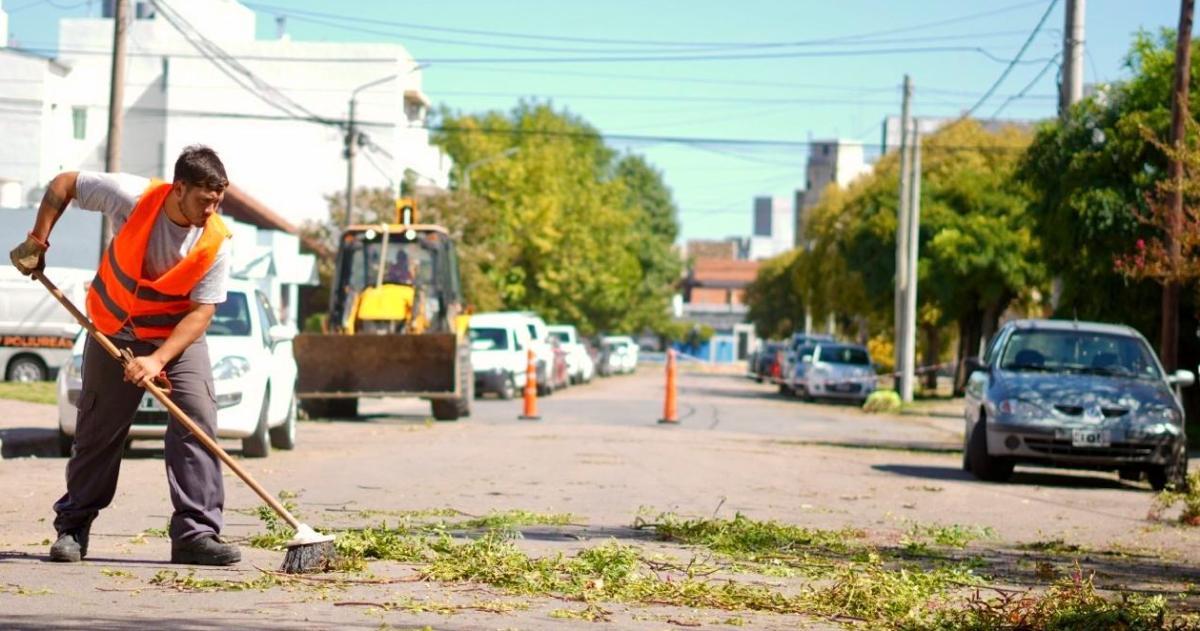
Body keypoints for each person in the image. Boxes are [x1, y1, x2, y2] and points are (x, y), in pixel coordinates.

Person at [8, 145, 240, 566]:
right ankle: (73, 528)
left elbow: (202, 312)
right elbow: (64, 184)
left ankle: (196, 534)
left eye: (218, 200)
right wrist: (37, 241)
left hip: (175, 337)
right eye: (205, 199)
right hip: (113, 330)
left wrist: (158, 360)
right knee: (97, 429)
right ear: (179, 187)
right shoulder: (133, 197)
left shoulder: (216, 241)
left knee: (197, 421)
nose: (211, 209)